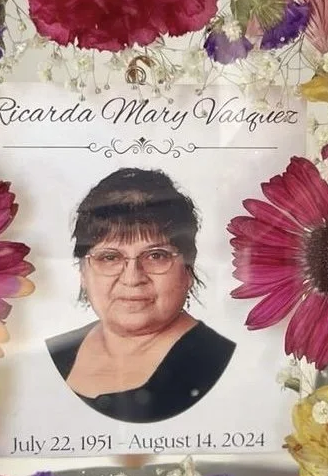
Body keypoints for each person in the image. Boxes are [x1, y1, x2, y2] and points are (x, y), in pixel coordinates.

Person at [46, 168, 235, 423]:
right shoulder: (53, 354)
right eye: (110, 257)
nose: (132, 277)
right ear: (83, 271)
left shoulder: (217, 361)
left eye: (156, 256)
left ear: (188, 269)